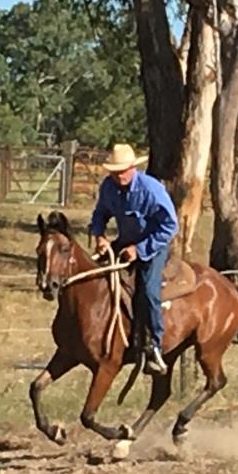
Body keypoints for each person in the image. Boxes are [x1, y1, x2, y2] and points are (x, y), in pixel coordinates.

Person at [89, 143, 178, 375]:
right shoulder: (108, 187)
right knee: (94, 278)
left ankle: (154, 345)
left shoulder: (151, 189)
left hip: (154, 246)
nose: (119, 176)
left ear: (133, 168)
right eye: (115, 172)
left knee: (148, 290)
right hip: (125, 241)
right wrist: (100, 236)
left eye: (123, 171)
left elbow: (170, 226)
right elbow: (100, 213)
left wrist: (139, 250)